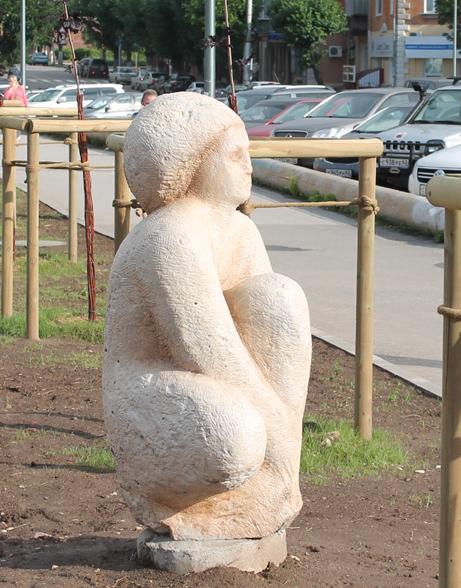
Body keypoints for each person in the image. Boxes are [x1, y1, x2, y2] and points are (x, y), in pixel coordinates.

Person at [104, 93, 310, 542]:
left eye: (248, 153)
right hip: (154, 391)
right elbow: (211, 355)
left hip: (222, 387)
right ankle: (198, 501)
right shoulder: (170, 236)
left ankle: (266, 492)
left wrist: (283, 452)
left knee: (281, 299)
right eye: (235, 155)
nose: (249, 166)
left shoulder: (239, 228)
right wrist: (283, 447)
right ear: (192, 163)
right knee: (233, 436)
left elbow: (262, 343)